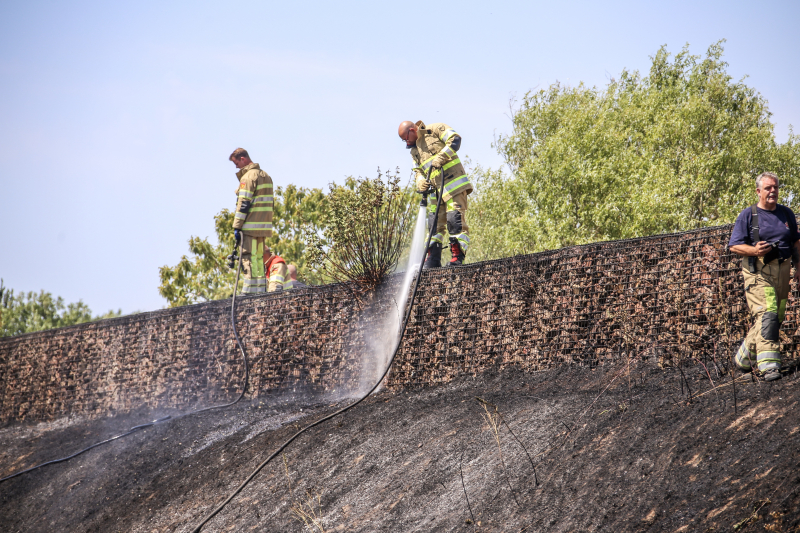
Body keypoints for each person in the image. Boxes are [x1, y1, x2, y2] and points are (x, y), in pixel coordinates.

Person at [729, 172, 800, 381]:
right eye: (768, 188)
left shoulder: (786, 214)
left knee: (774, 316)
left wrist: (799, 268)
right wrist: (754, 250)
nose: (773, 191)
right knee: (767, 313)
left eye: (775, 187)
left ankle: (743, 358)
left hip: (783, 271)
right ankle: (769, 366)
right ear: (758, 191)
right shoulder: (748, 215)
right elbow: (734, 245)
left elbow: (796, 244)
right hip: (758, 272)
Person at [398, 120, 473, 267]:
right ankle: (432, 259)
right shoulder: (414, 150)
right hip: (435, 193)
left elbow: (455, 139)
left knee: (455, 221)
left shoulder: (435, 129)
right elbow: (417, 170)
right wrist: (420, 181)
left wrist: (441, 157)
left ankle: (457, 257)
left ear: (412, 130)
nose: (406, 142)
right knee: (433, 226)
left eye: (405, 138)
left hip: (454, 186)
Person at [230, 148, 274, 293]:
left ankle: (248, 293)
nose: (236, 167)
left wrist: (237, 226)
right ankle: (260, 292)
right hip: (262, 228)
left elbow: (244, 203)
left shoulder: (248, 177)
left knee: (248, 259)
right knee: (258, 259)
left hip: (249, 227)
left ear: (243, 159)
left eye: (236, 163)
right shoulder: (266, 176)